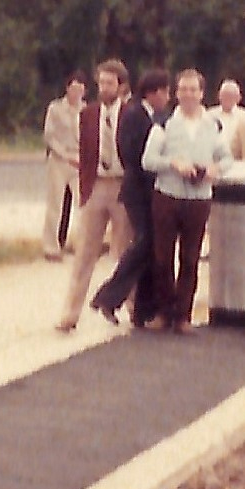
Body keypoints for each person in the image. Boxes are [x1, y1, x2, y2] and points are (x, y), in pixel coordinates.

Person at [143, 68, 232, 334]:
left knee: (191, 258)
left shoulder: (213, 125)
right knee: (162, 257)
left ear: (202, 93)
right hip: (168, 196)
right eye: (183, 89)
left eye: (193, 90)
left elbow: (227, 158)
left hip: (199, 198)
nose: (188, 95)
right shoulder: (165, 123)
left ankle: (183, 316)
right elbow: (147, 160)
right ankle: (163, 312)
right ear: (177, 93)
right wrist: (173, 163)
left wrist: (216, 170)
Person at [90, 69, 171, 327]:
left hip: (149, 190)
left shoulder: (153, 115)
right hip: (138, 190)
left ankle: (143, 310)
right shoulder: (135, 115)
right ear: (154, 92)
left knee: (151, 248)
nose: (167, 97)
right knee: (145, 243)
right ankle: (108, 295)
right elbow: (131, 153)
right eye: (166, 92)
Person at [58, 61, 133, 332]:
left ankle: (134, 308)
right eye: (101, 83)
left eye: (110, 83)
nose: (105, 88)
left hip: (123, 186)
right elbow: (86, 150)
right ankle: (70, 313)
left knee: (125, 251)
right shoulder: (88, 115)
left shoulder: (130, 113)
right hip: (96, 186)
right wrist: (84, 187)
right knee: (85, 251)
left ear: (121, 86)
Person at [39, 76, 86, 260]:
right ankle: (51, 246)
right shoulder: (56, 108)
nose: (76, 93)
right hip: (59, 160)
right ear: (67, 89)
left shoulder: (85, 110)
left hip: (79, 160)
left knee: (82, 204)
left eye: (80, 90)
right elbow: (49, 136)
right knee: (55, 204)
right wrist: (64, 155)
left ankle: (82, 244)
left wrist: (83, 157)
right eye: (74, 89)